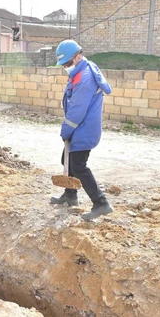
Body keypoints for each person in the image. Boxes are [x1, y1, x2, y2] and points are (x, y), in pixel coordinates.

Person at [50, 40, 114, 221]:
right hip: (81, 126)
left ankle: (101, 203)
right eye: (63, 65)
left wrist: (65, 131)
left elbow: (77, 111)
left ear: (78, 56)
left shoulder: (85, 78)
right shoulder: (81, 70)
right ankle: (70, 196)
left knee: (78, 165)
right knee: (67, 159)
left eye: (68, 64)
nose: (66, 67)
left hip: (84, 128)